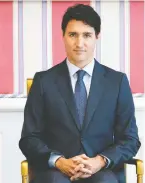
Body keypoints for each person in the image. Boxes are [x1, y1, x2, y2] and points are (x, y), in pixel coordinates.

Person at [19, 4, 140, 183]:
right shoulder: (43, 81)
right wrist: (59, 161)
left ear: (97, 37)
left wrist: (99, 161)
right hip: (55, 171)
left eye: (87, 35)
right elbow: (29, 138)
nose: (79, 43)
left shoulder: (117, 82)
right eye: (73, 35)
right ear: (63, 36)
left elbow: (130, 139)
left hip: (101, 170)